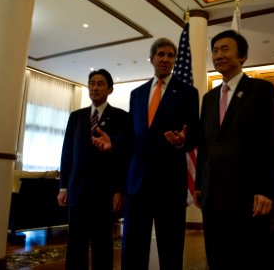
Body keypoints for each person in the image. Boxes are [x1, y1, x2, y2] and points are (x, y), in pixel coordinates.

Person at [193, 30, 274, 270]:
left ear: (242, 56)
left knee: (246, 256)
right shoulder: (209, 98)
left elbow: (269, 141)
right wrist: (200, 183)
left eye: (225, 49)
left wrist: (264, 189)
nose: (218, 55)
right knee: (216, 255)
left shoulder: (261, 90)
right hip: (212, 195)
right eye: (215, 50)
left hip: (247, 195)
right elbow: (206, 143)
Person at [121, 37, 200, 269]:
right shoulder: (136, 94)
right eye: (161, 54)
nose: (166, 59)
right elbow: (130, 136)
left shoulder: (188, 92)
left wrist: (181, 142)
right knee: (133, 247)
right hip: (137, 183)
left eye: (170, 55)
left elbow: (194, 134)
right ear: (152, 59)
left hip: (169, 183)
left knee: (171, 247)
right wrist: (113, 143)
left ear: (175, 60)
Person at [57, 69, 133, 270]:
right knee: (76, 243)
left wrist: (119, 189)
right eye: (92, 83)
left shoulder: (121, 117)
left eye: (100, 84)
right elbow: (67, 153)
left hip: (105, 191)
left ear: (110, 89)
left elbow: (123, 157)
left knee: (102, 243)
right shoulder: (76, 117)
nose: (95, 87)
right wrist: (63, 187)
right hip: (77, 189)